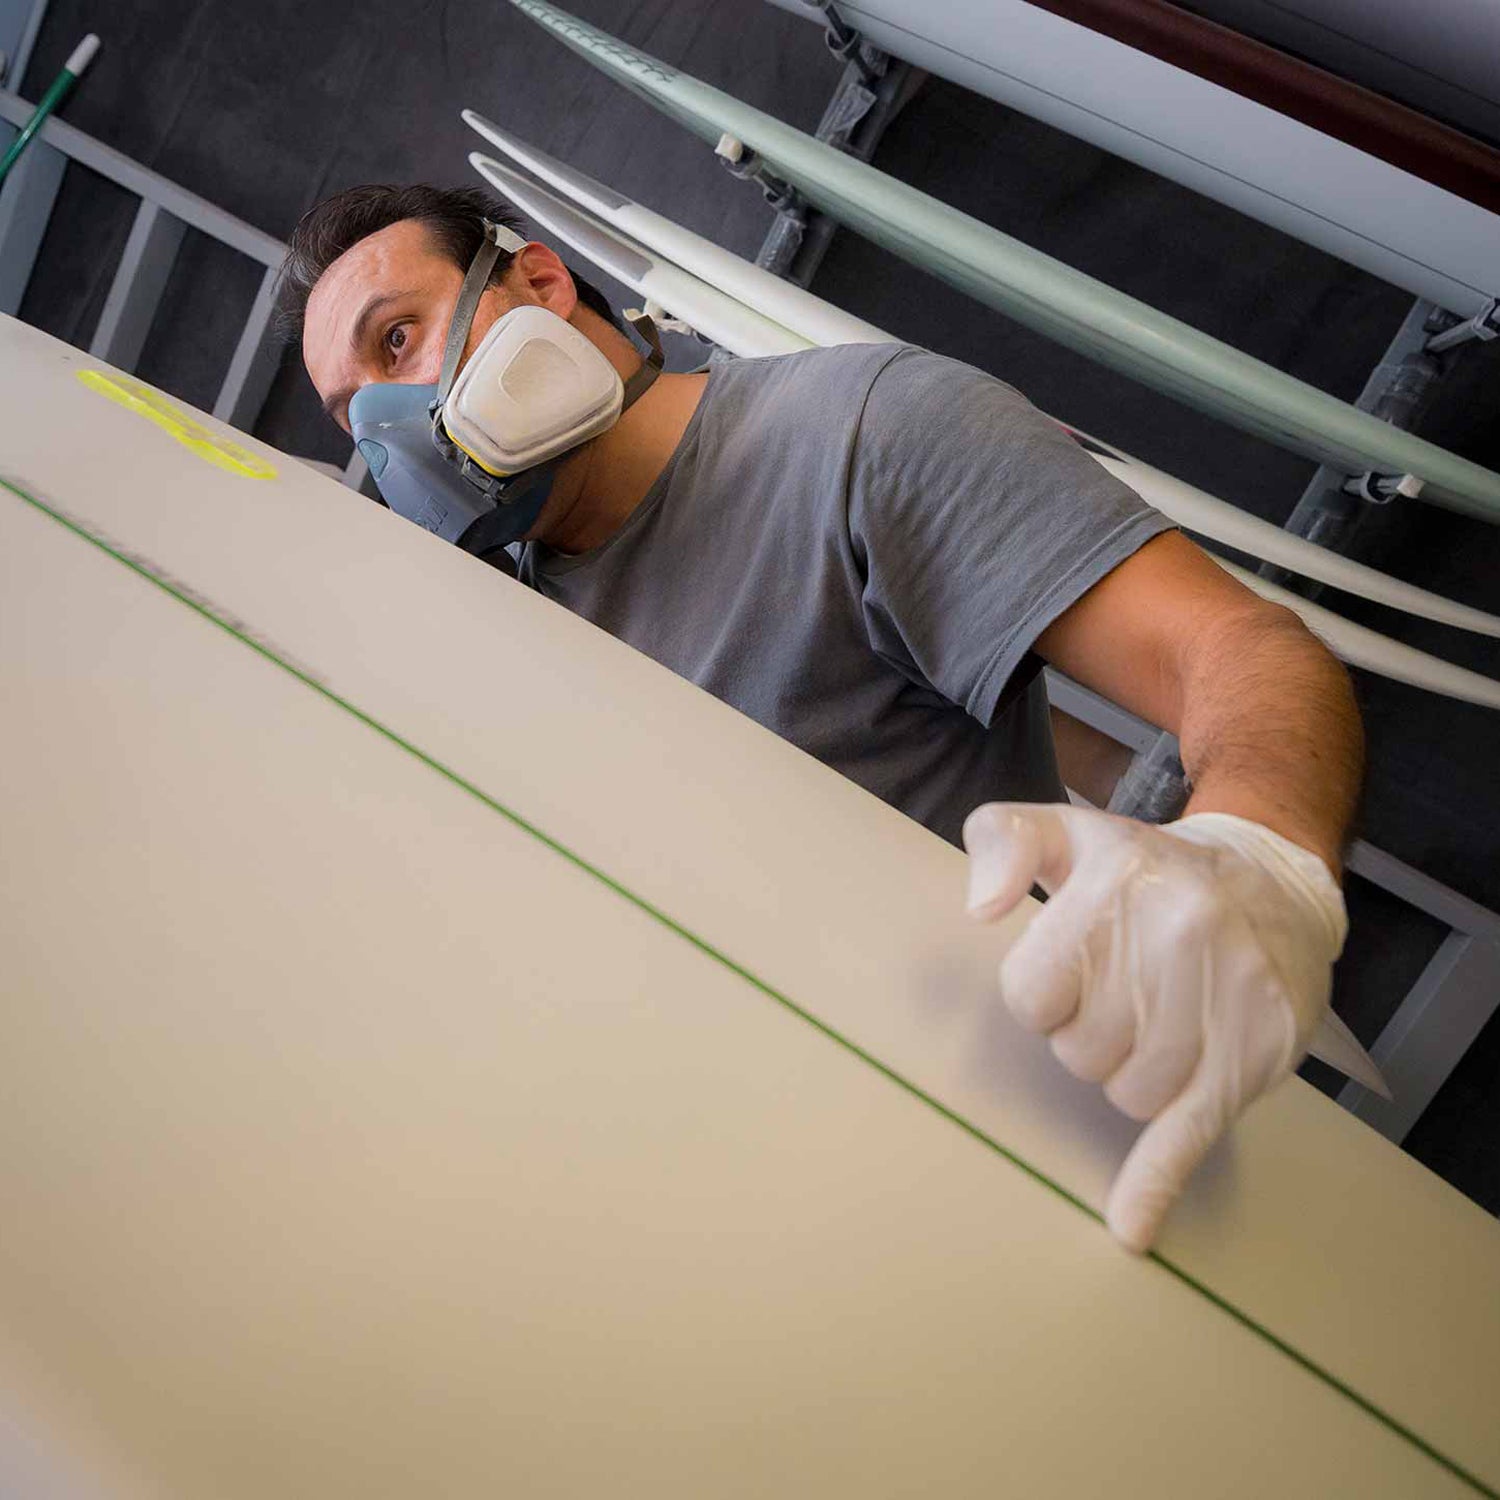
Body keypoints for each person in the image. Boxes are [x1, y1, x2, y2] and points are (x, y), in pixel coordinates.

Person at [284, 183, 1365, 1253]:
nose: (392, 427)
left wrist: (1260, 852)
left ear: (542, 285)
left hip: (1011, 1179)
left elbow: (1233, 649)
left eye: (398, 340)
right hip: (723, 1215)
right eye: (355, 419)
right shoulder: (489, 643)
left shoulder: (859, 436)